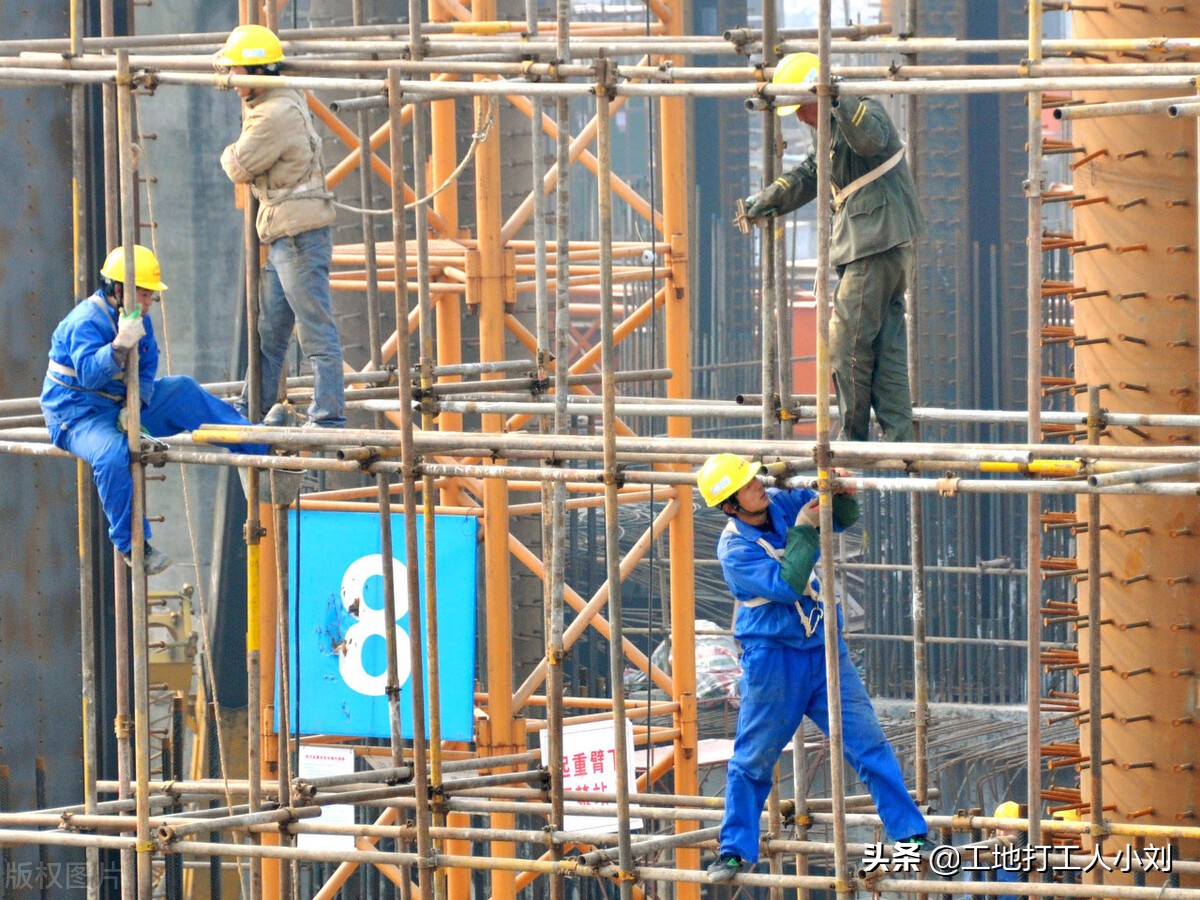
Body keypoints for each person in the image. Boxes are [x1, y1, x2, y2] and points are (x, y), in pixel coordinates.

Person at [696, 452, 928, 882]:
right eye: (747, 486)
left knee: (867, 742)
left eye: (754, 480)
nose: (758, 487)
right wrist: (804, 527)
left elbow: (839, 518)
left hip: (823, 649)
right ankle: (735, 849)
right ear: (730, 505)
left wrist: (839, 489)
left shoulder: (779, 503)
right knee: (753, 758)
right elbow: (786, 585)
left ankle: (910, 833)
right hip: (773, 661)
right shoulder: (735, 549)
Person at [41, 245, 269, 575]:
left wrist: (137, 407)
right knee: (110, 455)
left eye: (150, 296)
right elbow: (90, 375)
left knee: (183, 390)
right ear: (118, 290)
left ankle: (261, 443)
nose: (148, 303)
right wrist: (119, 346)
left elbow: (147, 367)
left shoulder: (134, 319)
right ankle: (133, 546)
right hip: (76, 416)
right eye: (144, 294)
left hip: (120, 406)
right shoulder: (85, 322)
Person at [744, 52, 925, 443]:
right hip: (881, 240)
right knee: (886, 342)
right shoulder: (828, 124)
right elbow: (813, 173)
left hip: (873, 240)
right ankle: (899, 435)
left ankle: (854, 436)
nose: (799, 118)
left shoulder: (859, 111)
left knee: (846, 341)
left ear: (820, 93)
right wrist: (772, 197)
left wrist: (838, 98)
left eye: (802, 108)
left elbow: (870, 139)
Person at [216, 24, 346, 429]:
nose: (235, 82)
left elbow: (236, 166)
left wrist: (230, 151)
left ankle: (327, 416)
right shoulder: (287, 95)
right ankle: (251, 407)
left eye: (240, 73)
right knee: (270, 332)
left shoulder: (271, 116)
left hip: (298, 237)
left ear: (258, 73)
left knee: (314, 329)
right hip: (284, 236)